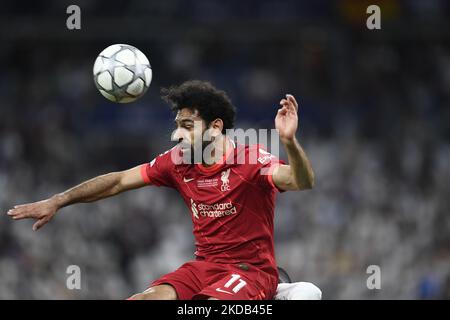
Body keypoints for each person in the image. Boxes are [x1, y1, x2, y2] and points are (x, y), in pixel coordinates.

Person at [7, 80, 315, 300]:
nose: (177, 134)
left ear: (216, 127)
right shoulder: (178, 162)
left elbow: (301, 181)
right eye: (177, 125)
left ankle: (279, 293)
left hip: (250, 272)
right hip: (204, 268)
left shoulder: (251, 160)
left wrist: (288, 142)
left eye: (187, 126)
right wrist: (58, 201)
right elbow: (117, 181)